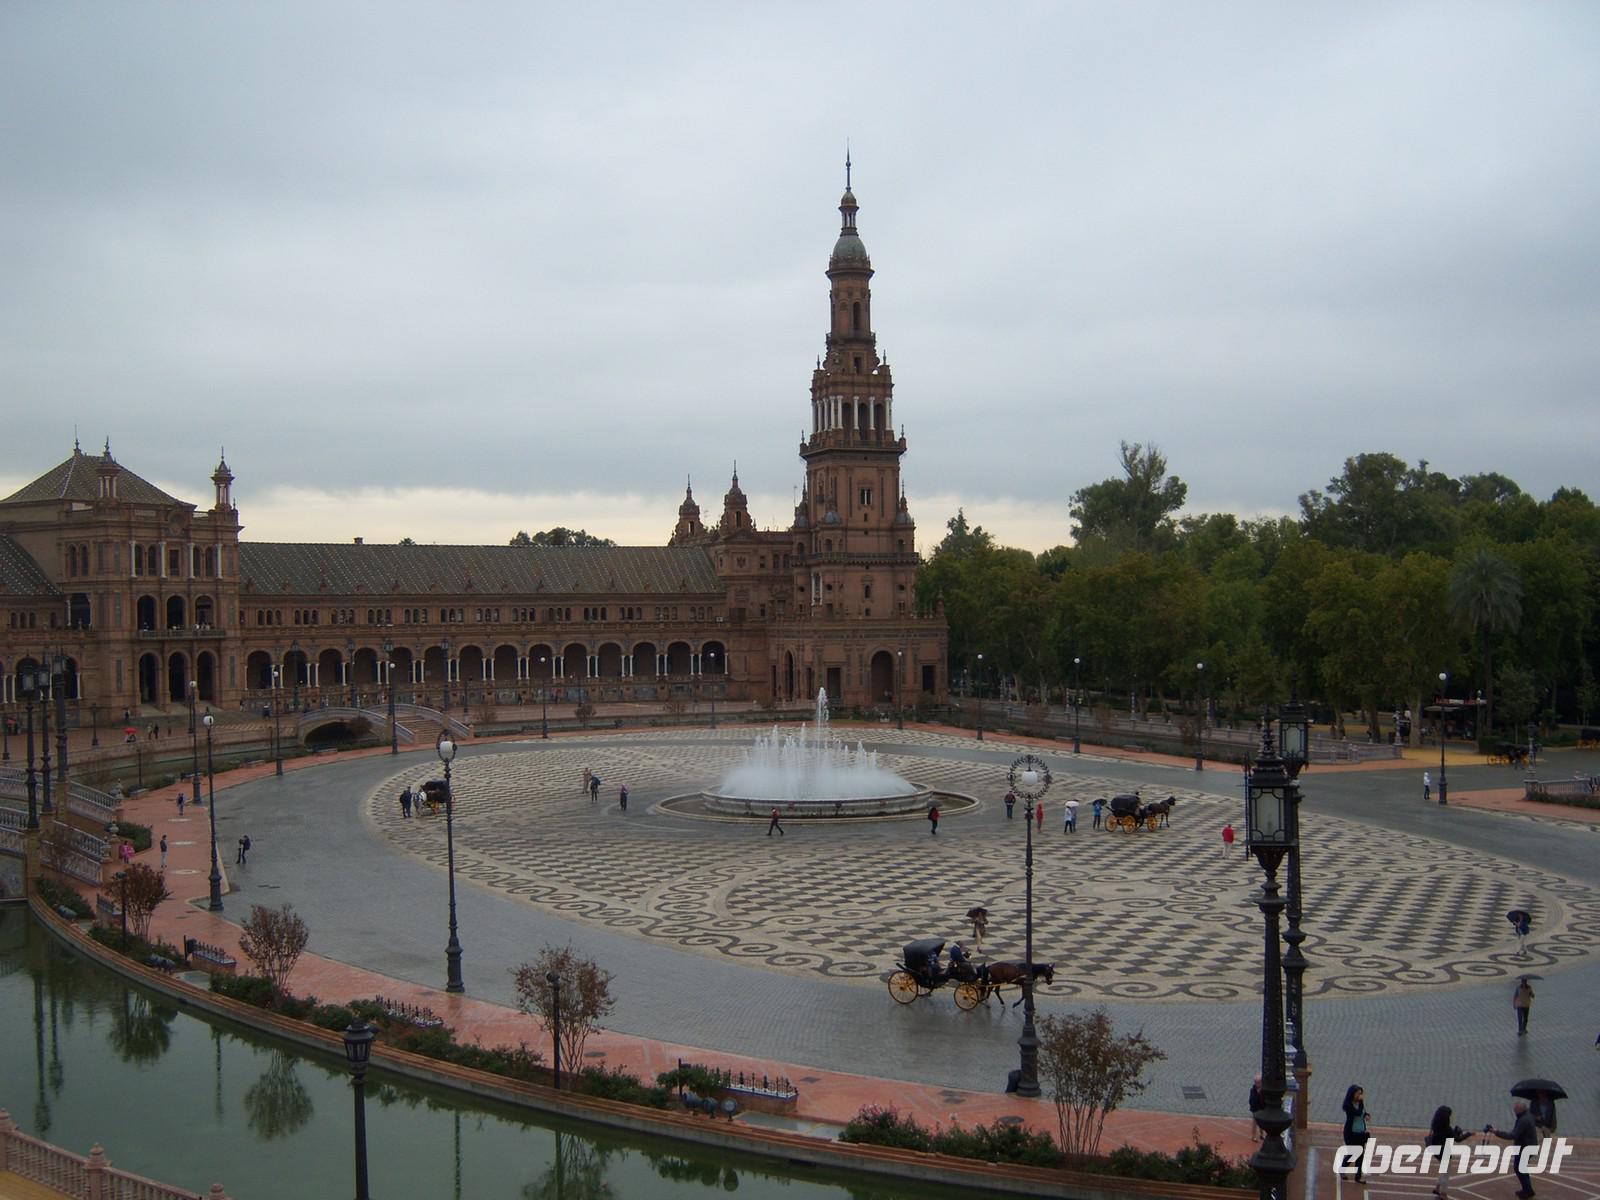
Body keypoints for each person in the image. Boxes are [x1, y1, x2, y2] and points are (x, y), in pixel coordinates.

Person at [1487, 1100, 1538, 1198]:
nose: (1514, 1111)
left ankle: (1528, 1190)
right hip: (1529, 1145)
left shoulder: (1523, 1120)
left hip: (1525, 1147)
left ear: (1520, 1110)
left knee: (1519, 1168)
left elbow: (1512, 1135)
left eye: (1516, 1109)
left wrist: (1497, 1132)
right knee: (1521, 1168)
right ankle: (1527, 1189)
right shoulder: (1527, 1116)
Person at [1342, 1084, 1371, 1184]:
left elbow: (1363, 1113)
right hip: (1351, 1132)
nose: (1360, 1096)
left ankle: (1358, 1177)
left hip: (1361, 1131)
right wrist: (1361, 1104)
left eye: (1361, 1093)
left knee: (1360, 1155)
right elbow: (1358, 1113)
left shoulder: (1360, 1103)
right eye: (1358, 1093)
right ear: (1353, 1094)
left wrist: (1367, 1115)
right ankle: (1343, 1169)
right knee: (1353, 1152)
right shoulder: (1348, 1105)